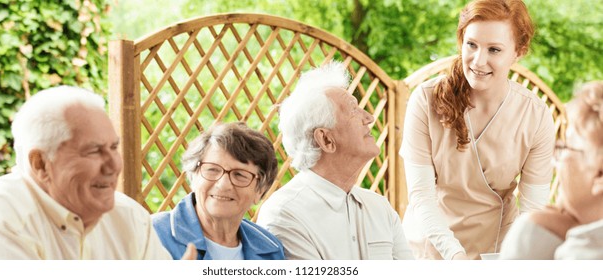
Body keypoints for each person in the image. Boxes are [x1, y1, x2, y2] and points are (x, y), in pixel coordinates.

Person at [400, 0, 556, 260]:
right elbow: (421, 196)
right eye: (471, 44)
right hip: (429, 250)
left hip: (495, 252)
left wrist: (513, 260)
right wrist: (456, 258)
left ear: (518, 52)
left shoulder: (535, 117)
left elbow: (533, 209)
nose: (478, 60)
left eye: (494, 50)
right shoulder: (425, 100)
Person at [0, 86, 182, 259]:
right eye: (94, 151)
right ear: (41, 164)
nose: (114, 165)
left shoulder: (130, 217)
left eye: (114, 147)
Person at [256, 61, 414, 260]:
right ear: (326, 139)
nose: (369, 117)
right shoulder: (285, 214)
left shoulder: (379, 208)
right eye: (353, 110)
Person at [499, 81, 603, 259]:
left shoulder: (578, 253)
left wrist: (531, 233)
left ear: (599, 176)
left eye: (566, 148)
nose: (556, 163)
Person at [152, 122, 284, 260]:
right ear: (194, 176)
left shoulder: (271, 250)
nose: (223, 185)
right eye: (212, 170)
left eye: (239, 174)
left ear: (260, 190)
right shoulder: (152, 234)